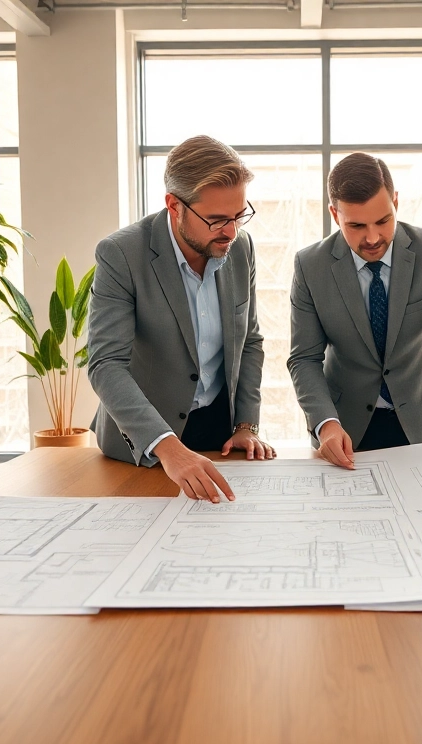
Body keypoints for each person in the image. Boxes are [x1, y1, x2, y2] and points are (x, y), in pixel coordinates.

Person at [287, 152, 422, 477]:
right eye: (356, 225)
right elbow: (304, 358)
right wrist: (325, 424)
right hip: (346, 427)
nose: (373, 238)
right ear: (335, 214)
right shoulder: (310, 266)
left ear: (395, 201)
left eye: (383, 220)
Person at [87, 135, 274, 502]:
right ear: (174, 205)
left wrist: (246, 425)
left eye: (239, 216)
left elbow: (249, 340)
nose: (232, 232)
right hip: (144, 444)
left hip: (219, 437)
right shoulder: (121, 254)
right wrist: (167, 447)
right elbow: (106, 364)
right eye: (217, 219)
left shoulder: (241, 248)